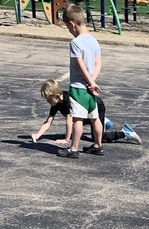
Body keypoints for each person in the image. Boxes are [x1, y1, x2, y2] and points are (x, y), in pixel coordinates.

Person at [31, 80, 143, 147]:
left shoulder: (67, 101)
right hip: (85, 111)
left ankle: (125, 133)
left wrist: (66, 139)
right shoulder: (55, 103)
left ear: (57, 96)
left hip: (96, 107)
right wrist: (37, 135)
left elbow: (69, 122)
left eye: (49, 99)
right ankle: (104, 122)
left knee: (98, 138)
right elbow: (48, 122)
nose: (48, 102)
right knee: (78, 121)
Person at [58, 4, 104, 159]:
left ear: (72, 23)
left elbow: (80, 64)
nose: (70, 31)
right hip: (91, 88)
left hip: (79, 87)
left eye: (68, 27)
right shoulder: (94, 41)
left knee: (77, 118)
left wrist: (89, 81)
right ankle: (98, 145)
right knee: (94, 118)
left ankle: (73, 148)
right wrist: (93, 82)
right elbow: (98, 64)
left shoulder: (75, 42)